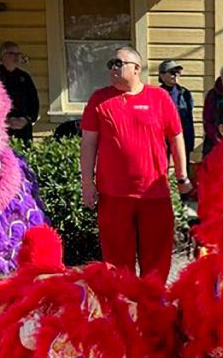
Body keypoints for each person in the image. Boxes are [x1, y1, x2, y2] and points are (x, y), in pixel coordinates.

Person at [81, 46, 193, 285]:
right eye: (110, 63)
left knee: (156, 261)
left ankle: (152, 310)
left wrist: (182, 176)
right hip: (113, 195)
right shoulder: (99, 99)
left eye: (118, 63)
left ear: (136, 68)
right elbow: (88, 143)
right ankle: (124, 311)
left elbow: (176, 136)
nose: (113, 68)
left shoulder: (159, 97)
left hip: (154, 193)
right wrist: (87, 183)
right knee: (117, 263)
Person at [0, 41, 40, 146]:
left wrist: (26, 119)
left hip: (23, 128)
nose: (16, 57)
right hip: (3, 129)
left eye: (18, 54)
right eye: (12, 54)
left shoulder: (24, 77)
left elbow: (34, 102)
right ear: (3, 57)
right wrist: (5, 120)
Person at [158, 59, 195, 157]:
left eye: (178, 72)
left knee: (183, 168)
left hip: (182, 136)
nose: (176, 75)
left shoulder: (185, 93)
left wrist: (190, 141)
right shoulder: (156, 94)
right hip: (163, 138)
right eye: (172, 72)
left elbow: (189, 118)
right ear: (162, 76)